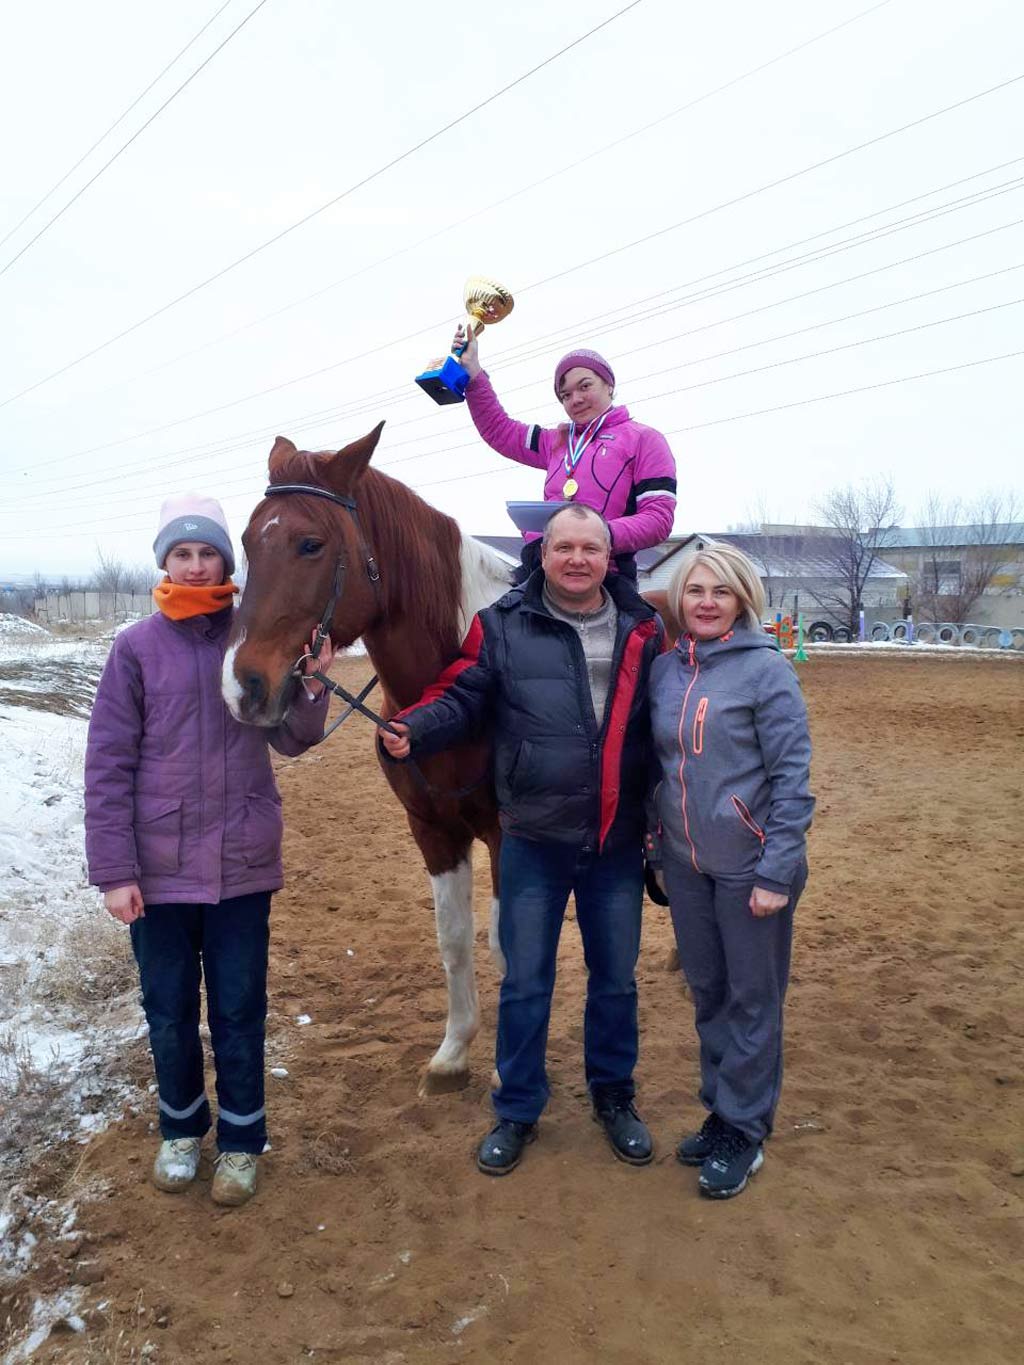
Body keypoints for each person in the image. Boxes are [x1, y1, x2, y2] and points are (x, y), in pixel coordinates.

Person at [380, 504, 663, 1175]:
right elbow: (464, 694)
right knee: (527, 982)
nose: (576, 559)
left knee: (615, 981)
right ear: (543, 554)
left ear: (607, 556)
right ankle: (517, 1109)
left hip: (615, 839)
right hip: (533, 837)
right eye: (562, 546)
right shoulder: (500, 625)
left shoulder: (642, 628)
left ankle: (614, 1097)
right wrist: (416, 727)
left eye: (589, 547)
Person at [84, 493, 333, 1207]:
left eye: (208, 552)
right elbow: (107, 765)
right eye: (182, 553)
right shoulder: (134, 649)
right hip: (156, 874)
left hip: (240, 865)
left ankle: (243, 1143)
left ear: (229, 560)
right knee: (167, 1009)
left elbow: (292, 737)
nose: (195, 566)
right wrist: (115, 872)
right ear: (165, 561)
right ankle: (181, 1131)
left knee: (238, 1009)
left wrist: (311, 681)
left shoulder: (248, 637)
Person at [647, 542, 814, 1200]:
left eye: (721, 591)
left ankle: (745, 1129)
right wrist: (657, 848)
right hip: (688, 866)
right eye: (696, 591)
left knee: (752, 999)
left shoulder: (767, 672)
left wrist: (777, 868)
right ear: (681, 601)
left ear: (743, 598)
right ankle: (721, 1109)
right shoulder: (666, 672)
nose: (707, 602)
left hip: (751, 867)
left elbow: (792, 779)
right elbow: (658, 772)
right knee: (709, 994)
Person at [454, 324, 677, 583]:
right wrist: (473, 375)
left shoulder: (645, 439)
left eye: (585, 386)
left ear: (609, 385)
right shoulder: (556, 441)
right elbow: (499, 430)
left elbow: (659, 518)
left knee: (649, 624)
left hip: (608, 573)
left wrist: (595, 537)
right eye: (565, 395)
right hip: (541, 567)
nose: (576, 399)